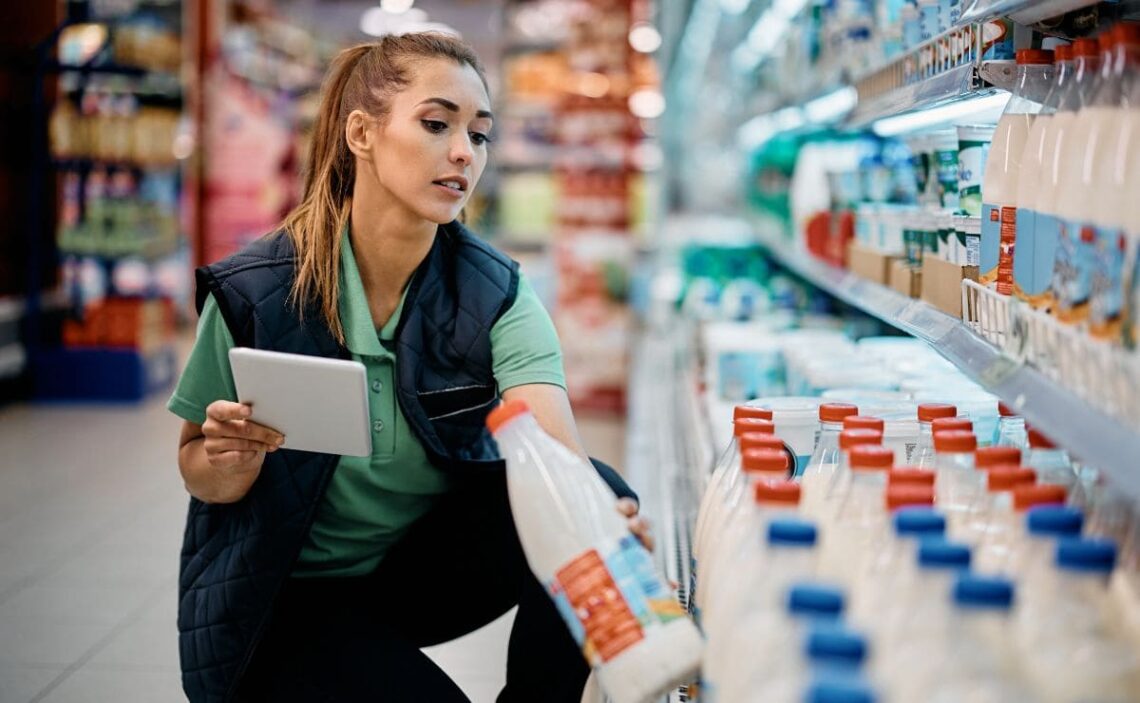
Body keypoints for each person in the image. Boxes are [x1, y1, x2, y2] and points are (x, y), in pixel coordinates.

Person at [168, 33, 650, 703]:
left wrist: (599, 518)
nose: (463, 152)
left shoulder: (493, 293)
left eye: (479, 135)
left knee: (594, 484)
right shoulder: (257, 292)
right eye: (435, 123)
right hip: (283, 597)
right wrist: (230, 460)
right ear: (361, 134)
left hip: (415, 575)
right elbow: (198, 466)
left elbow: (555, 451)